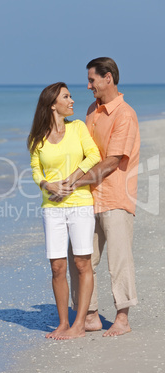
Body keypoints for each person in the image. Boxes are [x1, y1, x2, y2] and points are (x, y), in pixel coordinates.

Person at [65, 57, 140, 337]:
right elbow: (86, 153)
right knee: (81, 258)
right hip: (88, 198)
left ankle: (122, 318)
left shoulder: (125, 114)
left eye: (92, 80)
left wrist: (76, 182)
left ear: (108, 78)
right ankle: (91, 314)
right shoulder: (90, 111)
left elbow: (112, 161)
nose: (88, 86)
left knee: (119, 260)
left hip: (117, 197)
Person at [28, 82, 100, 340]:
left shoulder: (78, 127)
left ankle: (79, 324)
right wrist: (47, 184)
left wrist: (72, 179)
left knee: (82, 263)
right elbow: (36, 170)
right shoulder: (37, 139)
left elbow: (93, 155)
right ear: (52, 104)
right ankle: (62, 323)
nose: (72, 101)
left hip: (80, 203)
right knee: (57, 267)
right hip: (52, 208)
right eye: (66, 97)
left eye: (71, 96)